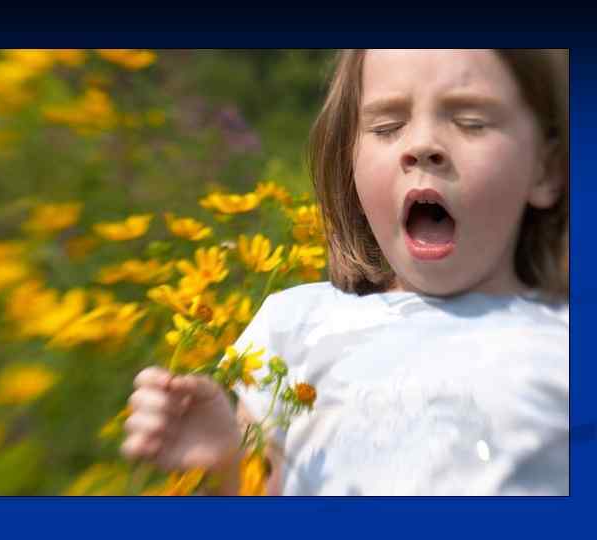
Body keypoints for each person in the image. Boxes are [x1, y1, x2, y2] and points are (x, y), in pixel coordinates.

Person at [121, 49, 569, 495]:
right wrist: (223, 466)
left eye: (471, 122)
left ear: (545, 169)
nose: (421, 146)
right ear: (349, 159)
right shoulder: (296, 325)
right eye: (387, 127)